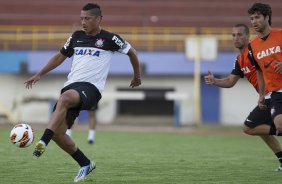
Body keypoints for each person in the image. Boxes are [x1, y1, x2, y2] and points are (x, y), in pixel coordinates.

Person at [24, 3, 141, 182]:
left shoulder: (110, 38)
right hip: (72, 85)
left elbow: (132, 53)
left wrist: (137, 76)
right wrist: (39, 74)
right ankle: (85, 163)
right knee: (59, 134)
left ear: (98, 19)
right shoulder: (76, 36)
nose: (83, 22)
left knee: (64, 98)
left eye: (87, 19)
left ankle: (43, 141)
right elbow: (59, 56)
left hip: (91, 88)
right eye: (81, 18)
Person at [204, 23, 282, 171]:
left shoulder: (257, 50)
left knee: (252, 127)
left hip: (274, 93)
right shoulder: (239, 60)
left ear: (248, 36)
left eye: (239, 35)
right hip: (266, 97)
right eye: (233, 35)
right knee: (253, 128)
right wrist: (215, 81)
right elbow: (230, 81)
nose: (236, 38)